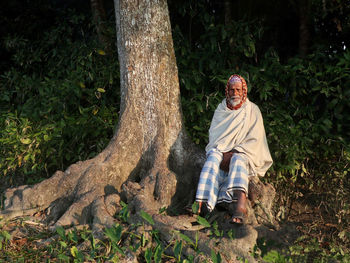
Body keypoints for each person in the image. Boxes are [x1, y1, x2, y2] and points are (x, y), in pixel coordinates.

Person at [195, 74, 273, 224]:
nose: (235, 93)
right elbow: (215, 134)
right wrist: (222, 152)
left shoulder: (252, 110)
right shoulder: (221, 108)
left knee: (238, 160)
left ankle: (240, 205)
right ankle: (201, 204)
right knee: (212, 159)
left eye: (238, 90)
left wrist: (235, 151)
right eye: (231, 90)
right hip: (221, 149)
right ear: (227, 91)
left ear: (244, 91)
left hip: (243, 152)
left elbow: (255, 139)